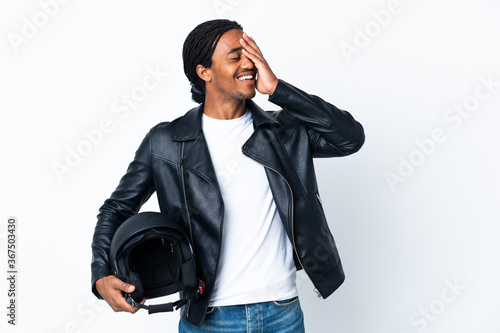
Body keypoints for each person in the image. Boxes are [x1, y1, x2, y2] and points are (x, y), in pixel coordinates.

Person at [91, 19, 365, 332]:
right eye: (235, 57)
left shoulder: (283, 133)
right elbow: (116, 208)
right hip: (209, 319)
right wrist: (101, 274)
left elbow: (349, 139)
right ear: (203, 72)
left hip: (282, 314)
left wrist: (278, 90)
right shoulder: (166, 142)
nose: (249, 63)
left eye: (252, 53)